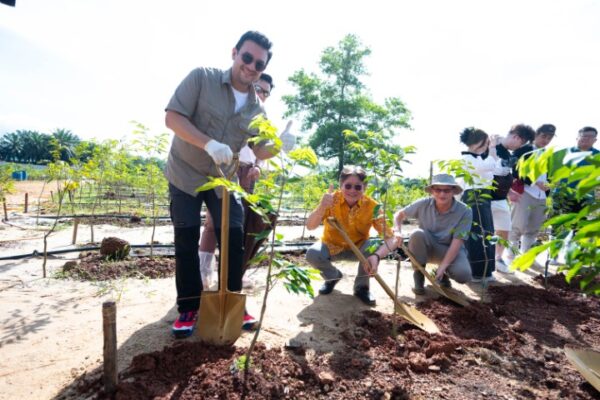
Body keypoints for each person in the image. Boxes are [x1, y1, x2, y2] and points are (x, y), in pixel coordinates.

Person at [164, 31, 277, 338]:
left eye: (259, 63)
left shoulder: (258, 110)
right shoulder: (202, 78)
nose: (251, 66)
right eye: (247, 57)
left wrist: (282, 146)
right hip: (185, 171)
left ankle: (231, 300)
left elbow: (258, 149)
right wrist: (208, 143)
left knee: (234, 230)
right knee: (186, 235)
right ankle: (189, 306)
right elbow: (173, 118)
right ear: (234, 53)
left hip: (221, 179)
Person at [198, 73, 295, 289]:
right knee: (214, 223)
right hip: (225, 169)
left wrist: (258, 166)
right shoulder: (235, 108)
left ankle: (236, 273)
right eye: (258, 88)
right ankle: (203, 274)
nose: (261, 94)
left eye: (265, 92)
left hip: (248, 173)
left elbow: (262, 150)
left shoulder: (262, 118)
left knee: (241, 224)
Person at [305, 166, 394, 306]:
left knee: (373, 247)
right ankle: (332, 277)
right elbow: (310, 226)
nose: (352, 190)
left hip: (358, 248)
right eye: (348, 186)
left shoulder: (373, 206)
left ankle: (361, 287)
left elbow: (390, 237)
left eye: (358, 187)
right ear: (341, 185)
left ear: (365, 187)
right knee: (313, 254)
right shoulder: (330, 200)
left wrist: (376, 256)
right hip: (331, 246)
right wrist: (322, 207)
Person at [459, 127, 508, 282]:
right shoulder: (467, 158)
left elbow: (497, 169)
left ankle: (485, 271)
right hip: (474, 197)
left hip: (484, 197)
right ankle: (477, 273)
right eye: (486, 142)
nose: (488, 145)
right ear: (478, 142)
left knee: (487, 232)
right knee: (477, 234)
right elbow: (489, 166)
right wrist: (493, 148)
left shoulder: (480, 158)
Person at [489, 124, 535, 273]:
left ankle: (497, 259)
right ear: (516, 137)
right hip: (484, 197)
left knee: (504, 229)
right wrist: (491, 147)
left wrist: (510, 192)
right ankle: (481, 261)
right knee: (483, 229)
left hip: (501, 198)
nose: (520, 147)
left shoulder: (509, 155)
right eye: (521, 143)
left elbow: (502, 176)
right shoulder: (489, 144)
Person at [507, 124, 556, 264]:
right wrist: (534, 182)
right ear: (536, 135)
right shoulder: (524, 150)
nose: (546, 140)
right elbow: (514, 169)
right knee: (517, 227)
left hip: (542, 196)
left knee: (534, 229)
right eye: (543, 136)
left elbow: (551, 174)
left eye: (549, 137)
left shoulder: (549, 154)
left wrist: (550, 185)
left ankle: (527, 257)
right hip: (524, 193)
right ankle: (510, 258)